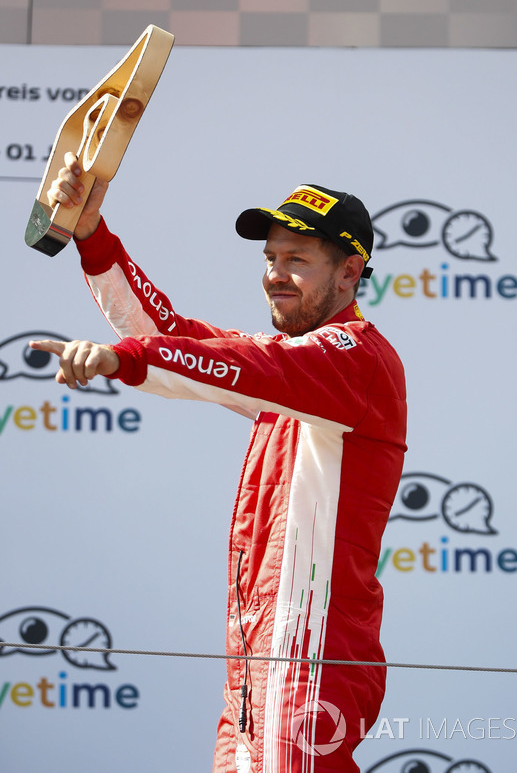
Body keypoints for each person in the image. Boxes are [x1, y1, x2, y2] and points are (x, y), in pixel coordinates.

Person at [31, 156, 407, 773]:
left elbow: (238, 366)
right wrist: (92, 233)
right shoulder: (295, 362)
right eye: (270, 259)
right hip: (256, 655)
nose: (276, 276)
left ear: (350, 272)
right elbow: (172, 333)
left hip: (311, 657)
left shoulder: (353, 359)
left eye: (297, 260)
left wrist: (119, 360)